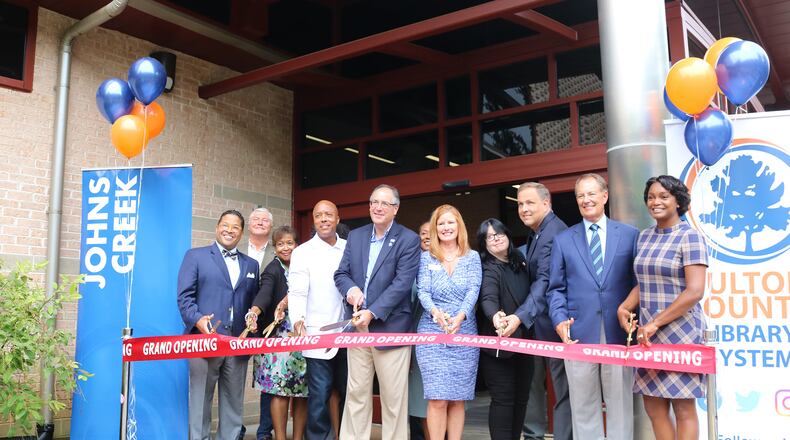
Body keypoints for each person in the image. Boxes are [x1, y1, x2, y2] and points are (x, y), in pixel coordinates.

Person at [547, 173, 638, 440]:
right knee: (583, 407)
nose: (586, 200)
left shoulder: (630, 235)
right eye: (580, 196)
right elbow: (555, 289)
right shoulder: (564, 239)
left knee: (620, 405)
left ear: (605, 196)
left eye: (591, 194)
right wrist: (559, 320)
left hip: (618, 333)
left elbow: (638, 283)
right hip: (577, 333)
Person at [617, 175, 708, 440]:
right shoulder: (645, 237)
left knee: (683, 406)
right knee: (653, 405)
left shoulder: (690, 237)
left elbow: (695, 291)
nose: (655, 202)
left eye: (663, 196)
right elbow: (646, 280)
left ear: (678, 201)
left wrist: (655, 323)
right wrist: (625, 306)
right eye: (651, 197)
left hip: (681, 332)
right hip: (648, 336)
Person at [334, 184, 421, 440]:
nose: (378, 207)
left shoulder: (408, 239)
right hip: (357, 328)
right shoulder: (357, 236)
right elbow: (341, 273)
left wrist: (372, 312)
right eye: (374, 202)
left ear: (396, 209)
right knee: (356, 394)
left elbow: (402, 284)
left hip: (391, 328)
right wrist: (351, 290)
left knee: (393, 399)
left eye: (385, 203)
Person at [176, 209, 260, 440]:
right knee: (200, 402)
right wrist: (197, 319)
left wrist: (253, 321)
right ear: (217, 227)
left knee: (233, 404)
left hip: (237, 344)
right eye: (225, 225)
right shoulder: (195, 256)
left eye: (235, 227)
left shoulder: (251, 265)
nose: (229, 230)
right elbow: (185, 298)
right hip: (204, 341)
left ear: (241, 232)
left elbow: (254, 302)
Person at [503, 182, 571, 440]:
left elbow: (545, 281)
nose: (523, 209)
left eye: (529, 203)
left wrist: (520, 315)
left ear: (546, 203)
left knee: (562, 390)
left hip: (555, 324)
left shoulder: (554, 232)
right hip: (536, 325)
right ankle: (533, 435)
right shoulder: (537, 232)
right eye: (520, 204)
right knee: (532, 384)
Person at [416, 204, 482, 440]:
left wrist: (461, 316)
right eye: (441, 223)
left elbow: (474, 290)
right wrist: (436, 313)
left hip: (464, 332)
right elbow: (423, 291)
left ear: (459, 226)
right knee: (437, 398)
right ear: (435, 228)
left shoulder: (472, 257)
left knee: (458, 398)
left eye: (450, 222)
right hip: (432, 333)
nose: (446, 227)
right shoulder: (426, 258)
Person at [288, 200, 347, 440]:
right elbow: (297, 292)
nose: (323, 219)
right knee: (319, 394)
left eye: (328, 215)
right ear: (313, 220)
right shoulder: (302, 252)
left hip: (349, 333)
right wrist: (298, 320)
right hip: (317, 335)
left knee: (349, 392)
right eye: (318, 215)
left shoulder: (349, 247)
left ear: (337, 219)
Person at [245, 226, 307, 440]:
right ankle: (280, 437)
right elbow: (264, 293)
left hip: (302, 335)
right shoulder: (273, 269)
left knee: (302, 391)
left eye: (290, 243)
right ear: (274, 247)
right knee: (279, 390)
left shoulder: (304, 265)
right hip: (279, 338)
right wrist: (254, 312)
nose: (285, 248)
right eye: (280, 244)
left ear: (297, 245)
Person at [476, 218, 533, 440]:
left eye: (499, 233)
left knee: (521, 399)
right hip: (498, 347)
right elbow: (487, 297)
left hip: (525, 342)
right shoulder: (487, 268)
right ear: (484, 244)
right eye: (489, 237)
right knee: (503, 400)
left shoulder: (521, 262)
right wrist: (495, 316)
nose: (496, 238)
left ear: (507, 235)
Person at [246, 207, 276, 440]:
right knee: (232, 378)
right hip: (238, 322)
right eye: (256, 219)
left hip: (268, 325)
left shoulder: (279, 252)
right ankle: (235, 428)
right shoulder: (235, 248)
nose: (260, 222)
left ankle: (265, 430)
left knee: (268, 380)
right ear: (249, 224)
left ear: (270, 226)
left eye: (265, 220)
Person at [408, 221, 432, 440]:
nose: (427, 236)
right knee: (418, 393)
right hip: (415, 335)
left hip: (443, 336)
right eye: (423, 233)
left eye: (431, 232)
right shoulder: (411, 263)